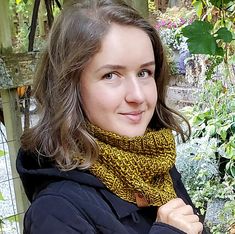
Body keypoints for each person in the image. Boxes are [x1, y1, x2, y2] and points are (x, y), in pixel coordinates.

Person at [17, 0, 206, 233]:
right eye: (111, 75)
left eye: (144, 72)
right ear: (69, 87)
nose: (137, 95)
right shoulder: (55, 211)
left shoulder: (154, 163)